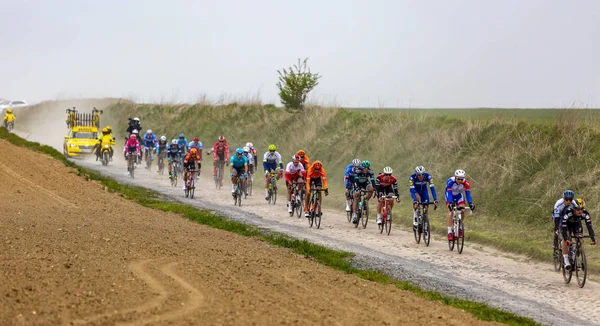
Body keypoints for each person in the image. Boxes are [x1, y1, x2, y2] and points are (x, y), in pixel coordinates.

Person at [560, 198, 596, 270]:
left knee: (579, 241)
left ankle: (575, 259)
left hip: (576, 224)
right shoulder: (568, 212)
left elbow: (589, 226)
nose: (580, 211)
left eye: (582, 209)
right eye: (578, 209)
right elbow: (563, 227)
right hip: (566, 225)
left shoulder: (585, 213)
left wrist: (592, 238)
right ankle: (566, 261)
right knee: (566, 240)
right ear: (573, 208)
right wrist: (566, 239)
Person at [445, 169, 475, 241]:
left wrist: (470, 203)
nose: (460, 181)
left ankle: (460, 227)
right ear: (455, 177)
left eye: (462, 179)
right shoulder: (450, 182)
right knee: (451, 211)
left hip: (459, 196)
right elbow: (448, 193)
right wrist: (450, 202)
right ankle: (449, 231)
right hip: (450, 195)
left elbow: (468, 195)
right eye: (458, 179)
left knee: (462, 210)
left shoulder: (466, 183)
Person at [409, 166, 439, 231]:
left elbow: (432, 189)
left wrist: (435, 199)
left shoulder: (428, 177)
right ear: (416, 174)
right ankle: (415, 219)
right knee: (417, 200)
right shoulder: (412, 178)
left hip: (424, 192)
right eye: (419, 175)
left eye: (422, 174)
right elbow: (412, 190)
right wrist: (414, 201)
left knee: (426, 207)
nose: (421, 176)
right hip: (415, 191)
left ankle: (425, 225)